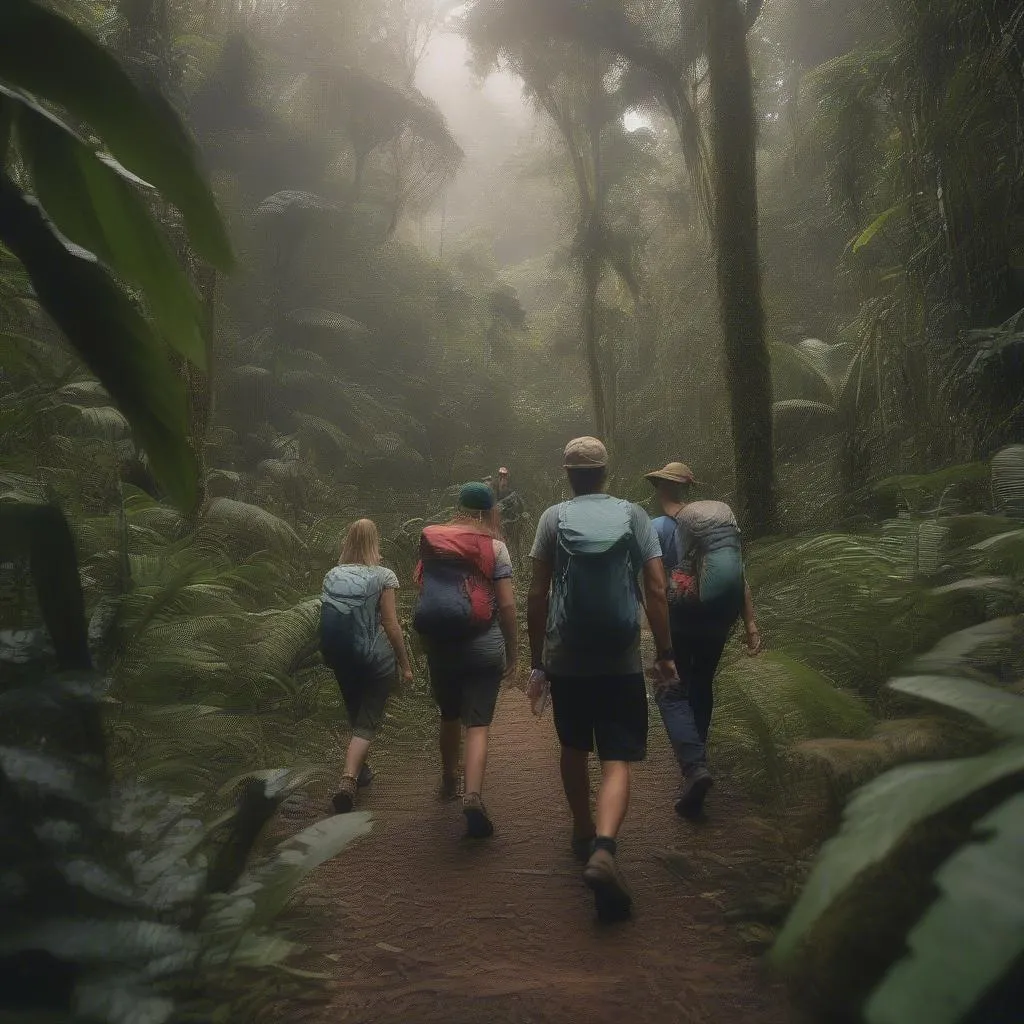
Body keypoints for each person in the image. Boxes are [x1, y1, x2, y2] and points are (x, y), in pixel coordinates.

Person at [526, 437, 678, 922]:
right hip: (620, 657)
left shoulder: (553, 518)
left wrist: (538, 660)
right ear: (605, 473)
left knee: (573, 745)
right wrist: (666, 653)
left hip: (567, 655)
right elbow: (655, 588)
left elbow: (537, 592)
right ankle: (606, 848)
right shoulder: (634, 516)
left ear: (569, 473)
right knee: (616, 759)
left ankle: (582, 828)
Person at [645, 462, 761, 819]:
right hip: (718, 619)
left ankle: (694, 766)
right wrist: (751, 625)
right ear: (688, 490)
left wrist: (654, 629)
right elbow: (738, 574)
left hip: (681, 619)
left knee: (673, 686)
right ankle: (699, 759)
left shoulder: (656, 528)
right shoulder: (717, 527)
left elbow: (653, 585)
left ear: (659, 489)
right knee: (702, 684)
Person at [413, 482, 518, 839]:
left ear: (458, 507)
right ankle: (472, 796)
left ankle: (448, 779)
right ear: (490, 511)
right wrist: (514, 651)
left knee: (449, 714)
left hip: (441, 644)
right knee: (478, 724)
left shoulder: (433, 540)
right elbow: (505, 605)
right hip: (484, 645)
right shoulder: (495, 546)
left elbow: (424, 588)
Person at [319, 519, 414, 815]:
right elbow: (390, 624)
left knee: (356, 709)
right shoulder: (383, 575)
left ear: (347, 541)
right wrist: (405, 664)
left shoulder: (332, 574)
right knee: (367, 719)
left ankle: (362, 771)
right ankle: (348, 779)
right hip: (375, 658)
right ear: (375, 542)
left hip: (340, 656)